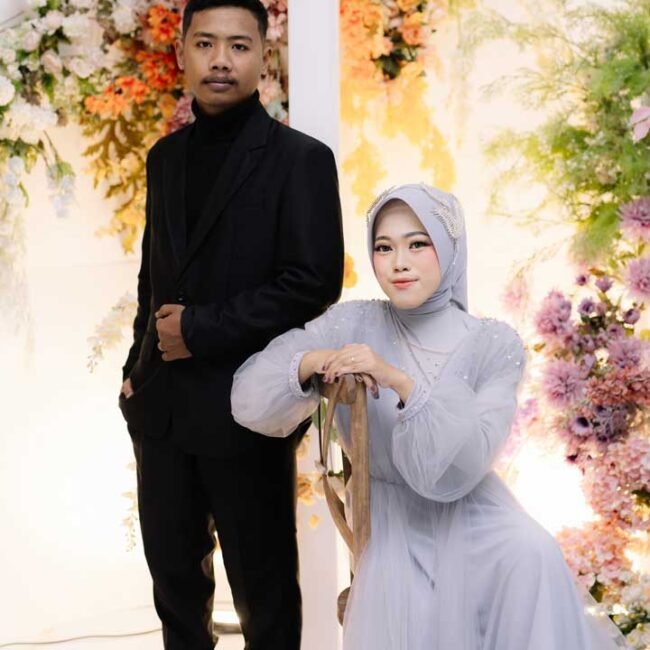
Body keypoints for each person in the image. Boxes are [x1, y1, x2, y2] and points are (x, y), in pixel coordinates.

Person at [231, 184, 627, 650]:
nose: (399, 262)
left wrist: (397, 380)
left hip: (476, 515)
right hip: (392, 521)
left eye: (418, 243)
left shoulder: (494, 343)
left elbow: (466, 463)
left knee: (532, 550)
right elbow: (249, 399)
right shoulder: (352, 323)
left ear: (449, 246)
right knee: (409, 609)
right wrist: (317, 359)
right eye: (384, 247)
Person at [118, 0, 344, 648]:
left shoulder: (300, 159)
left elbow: (313, 281)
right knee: (175, 595)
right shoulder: (165, 157)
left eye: (239, 46)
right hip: (162, 414)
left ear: (263, 57)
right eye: (206, 43)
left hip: (246, 412)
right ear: (182, 52)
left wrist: (200, 329)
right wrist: (134, 373)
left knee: (264, 600)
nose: (221, 60)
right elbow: (153, 276)